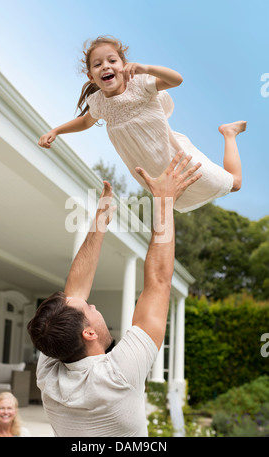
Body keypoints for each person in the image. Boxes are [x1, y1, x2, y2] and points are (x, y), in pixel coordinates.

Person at [27, 151, 202, 437]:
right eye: (88, 309)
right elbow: (158, 280)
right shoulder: (118, 374)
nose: (92, 304)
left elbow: (75, 296)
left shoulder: (51, 370)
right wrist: (164, 201)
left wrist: (100, 222)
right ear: (89, 334)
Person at [38, 35, 246, 213]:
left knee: (234, 184)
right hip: (151, 169)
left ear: (124, 65)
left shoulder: (140, 84)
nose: (106, 66)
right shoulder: (99, 102)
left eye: (112, 60)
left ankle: (229, 133)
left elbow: (177, 80)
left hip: (175, 155)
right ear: (91, 76)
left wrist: (146, 68)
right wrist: (56, 131)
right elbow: (84, 122)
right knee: (171, 201)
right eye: (98, 64)